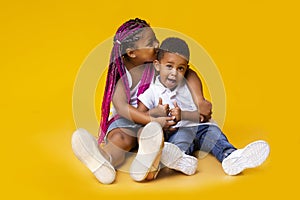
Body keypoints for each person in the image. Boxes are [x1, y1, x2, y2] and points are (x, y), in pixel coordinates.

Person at [71, 18, 212, 184]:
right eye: (151, 42)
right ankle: (104, 160)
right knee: (121, 138)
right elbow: (122, 108)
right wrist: (150, 119)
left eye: (156, 38)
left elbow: (188, 72)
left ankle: (147, 163)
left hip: (157, 122)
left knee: (153, 135)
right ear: (132, 52)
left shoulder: (157, 65)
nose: (157, 43)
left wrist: (199, 99)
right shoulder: (123, 78)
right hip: (128, 122)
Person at [138, 37, 270, 177]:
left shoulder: (188, 84)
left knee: (216, 137)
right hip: (179, 130)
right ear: (157, 65)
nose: (174, 73)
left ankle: (232, 157)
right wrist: (157, 115)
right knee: (178, 144)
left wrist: (183, 115)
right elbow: (140, 117)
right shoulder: (152, 92)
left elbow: (205, 113)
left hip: (203, 127)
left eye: (180, 68)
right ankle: (181, 160)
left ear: (186, 69)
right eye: (169, 66)